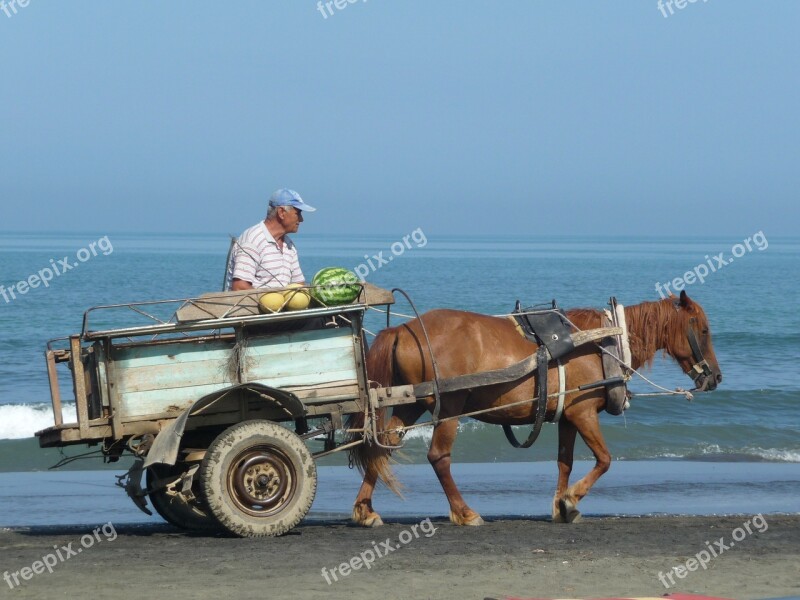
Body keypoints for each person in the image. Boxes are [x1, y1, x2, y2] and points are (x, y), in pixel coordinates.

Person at [230, 188, 316, 291]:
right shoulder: (252, 241)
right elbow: (239, 288)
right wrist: (271, 302)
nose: (301, 219)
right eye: (298, 213)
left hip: (280, 306)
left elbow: (299, 284)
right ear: (281, 212)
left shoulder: (289, 245)